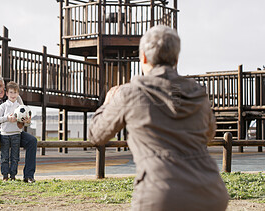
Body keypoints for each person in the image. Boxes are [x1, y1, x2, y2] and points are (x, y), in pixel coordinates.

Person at [88, 25, 229, 211]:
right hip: (210, 191)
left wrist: (108, 103)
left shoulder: (131, 93)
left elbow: (96, 134)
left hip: (160, 194)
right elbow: (209, 134)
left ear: (144, 57)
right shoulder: (197, 92)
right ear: (176, 58)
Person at [0, 81, 22, 181]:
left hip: (16, 134)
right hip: (4, 134)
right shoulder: (3, 106)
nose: (13, 95)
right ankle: (5, 176)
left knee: (15, 157)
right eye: (10, 92)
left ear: (18, 93)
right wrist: (7, 118)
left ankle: (13, 176)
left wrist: (24, 119)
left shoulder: (20, 107)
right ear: (7, 93)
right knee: (4, 157)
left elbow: (26, 121)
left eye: (15, 92)